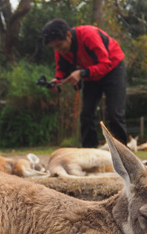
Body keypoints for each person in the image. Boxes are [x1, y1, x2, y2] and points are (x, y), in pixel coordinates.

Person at [42, 18, 129, 148]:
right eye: (54, 47)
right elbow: (61, 70)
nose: (58, 50)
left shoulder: (88, 35)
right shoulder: (60, 50)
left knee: (114, 113)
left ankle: (124, 154)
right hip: (90, 74)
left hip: (112, 68)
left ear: (69, 35)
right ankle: (89, 152)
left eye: (59, 45)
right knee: (86, 114)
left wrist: (81, 73)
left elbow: (105, 64)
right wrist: (56, 82)